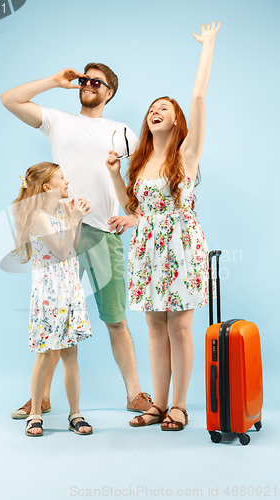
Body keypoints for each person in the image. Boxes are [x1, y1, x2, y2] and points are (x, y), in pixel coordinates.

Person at [1, 63, 153, 419]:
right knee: (56, 320)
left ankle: (134, 394)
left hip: (103, 234)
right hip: (60, 234)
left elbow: (146, 177)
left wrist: (135, 215)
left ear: (109, 91)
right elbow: (10, 99)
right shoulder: (59, 120)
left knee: (115, 319)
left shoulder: (123, 132)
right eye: (84, 79)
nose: (87, 84)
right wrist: (55, 82)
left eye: (95, 81)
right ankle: (41, 399)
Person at [105, 21, 221, 430]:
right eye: (152, 109)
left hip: (181, 245)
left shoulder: (187, 154)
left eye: (164, 109)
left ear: (177, 121)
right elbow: (133, 207)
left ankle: (179, 405)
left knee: (180, 326)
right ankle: (156, 406)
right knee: (155, 326)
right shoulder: (139, 161)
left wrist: (207, 46)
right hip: (147, 247)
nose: (155, 112)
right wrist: (116, 174)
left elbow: (199, 96)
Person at [11, 161, 93, 436]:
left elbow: (73, 246)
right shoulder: (39, 217)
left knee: (71, 353)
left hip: (69, 288)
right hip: (50, 293)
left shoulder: (60, 211)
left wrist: (75, 219)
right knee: (45, 356)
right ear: (47, 187)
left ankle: (75, 414)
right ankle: (35, 413)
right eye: (61, 178)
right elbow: (59, 251)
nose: (67, 181)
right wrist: (73, 221)